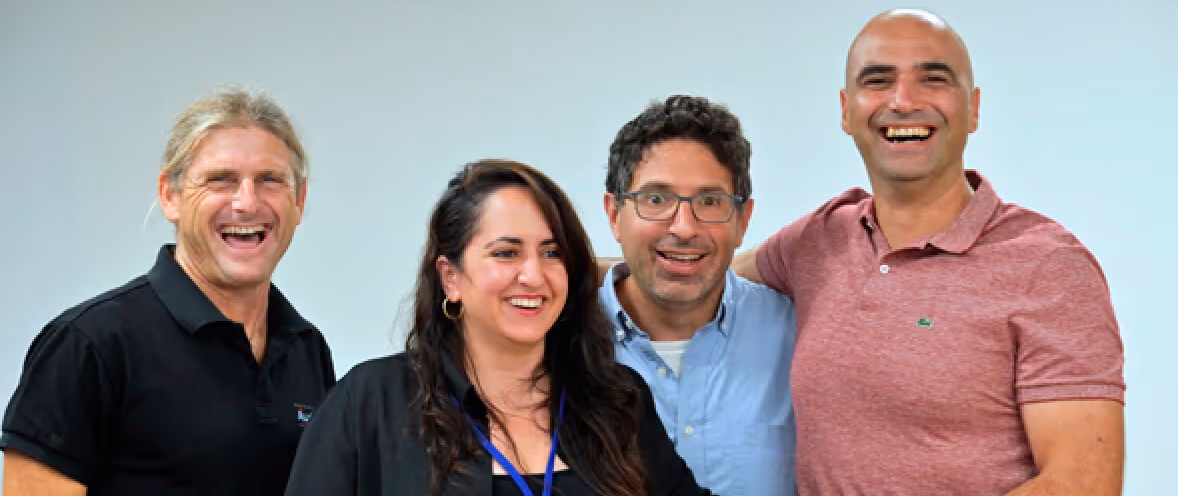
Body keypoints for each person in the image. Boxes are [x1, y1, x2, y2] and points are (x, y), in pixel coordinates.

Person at [732, 9, 1126, 495]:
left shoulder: (1049, 267)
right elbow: (699, 271)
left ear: (974, 108)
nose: (903, 101)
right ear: (846, 110)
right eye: (878, 81)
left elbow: (1081, 483)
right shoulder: (819, 238)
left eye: (933, 79)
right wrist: (617, 266)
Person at [284, 159, 712, 496]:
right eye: (506, 253)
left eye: (551, 253)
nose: (533, 275)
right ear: (450, 277)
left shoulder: (618, 399)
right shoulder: (371, 401)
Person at [1, 86, 336, 496]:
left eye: (270, 180)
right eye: (220, 180)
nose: (247, 202)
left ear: (299, 201)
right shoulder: (90, 345)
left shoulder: (306, 349)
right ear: (170, 196)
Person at [600, 95, 797, 495]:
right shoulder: (555, 341)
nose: (685, 228)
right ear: (614, 214)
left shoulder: (798, 338)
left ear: (743, 221)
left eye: (710, 201)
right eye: (656, 199)